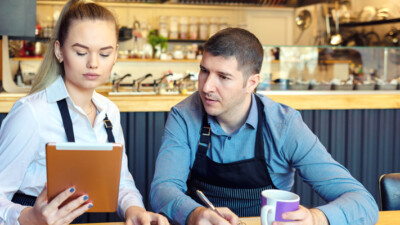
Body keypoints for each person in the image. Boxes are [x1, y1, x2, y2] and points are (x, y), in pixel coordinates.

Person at [150, 28, 379, 225]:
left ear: (252, 82)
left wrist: (316, 218)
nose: (207, 86)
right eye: (204, 71)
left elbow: (363, 201)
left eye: (223, 76)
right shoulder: (184, 115)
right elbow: (163, 189)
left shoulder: (283, 125)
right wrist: (195, 214)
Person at [0, 1, 168, 225]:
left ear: (116, 53)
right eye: (81, 52)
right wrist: (28, 217)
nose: (93, 63)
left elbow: (121, 183)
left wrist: (134, 210)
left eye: (105, 53)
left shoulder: (109, 112)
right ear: (59, 51)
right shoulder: (31, 113)